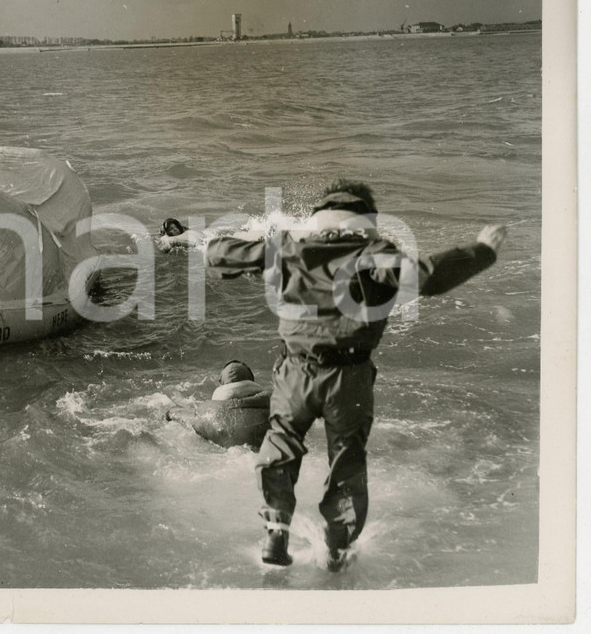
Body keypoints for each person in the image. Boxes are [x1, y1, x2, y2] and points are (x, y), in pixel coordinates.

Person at [159, 179, 507, 570]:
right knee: (347, 460)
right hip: (350, 377)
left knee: (281, 448)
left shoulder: (290, 249)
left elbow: (219, 254)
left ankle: (276, 530)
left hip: (296, 373)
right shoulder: (376, 255)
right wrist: (482, 250)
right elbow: (430, 275)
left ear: (320, 218)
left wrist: (263, 250)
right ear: (366, 221)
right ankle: (338, 545)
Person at [166, 360, 274, 449]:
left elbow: (173, 413)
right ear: (251, 382)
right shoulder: (274, 403)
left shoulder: (206, 413)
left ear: (223, 385)